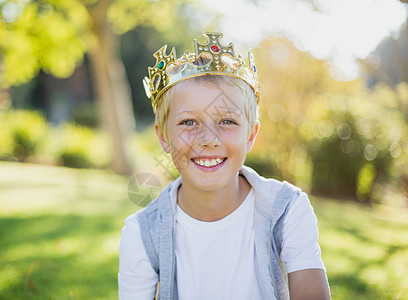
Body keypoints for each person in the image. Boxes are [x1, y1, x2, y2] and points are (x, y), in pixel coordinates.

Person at [118, 32, 330, 300]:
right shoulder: (142, 233)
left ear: (251, 135)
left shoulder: (287, 211)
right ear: (164, 137)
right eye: (189, 122)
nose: (209, 140)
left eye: (227, 121)